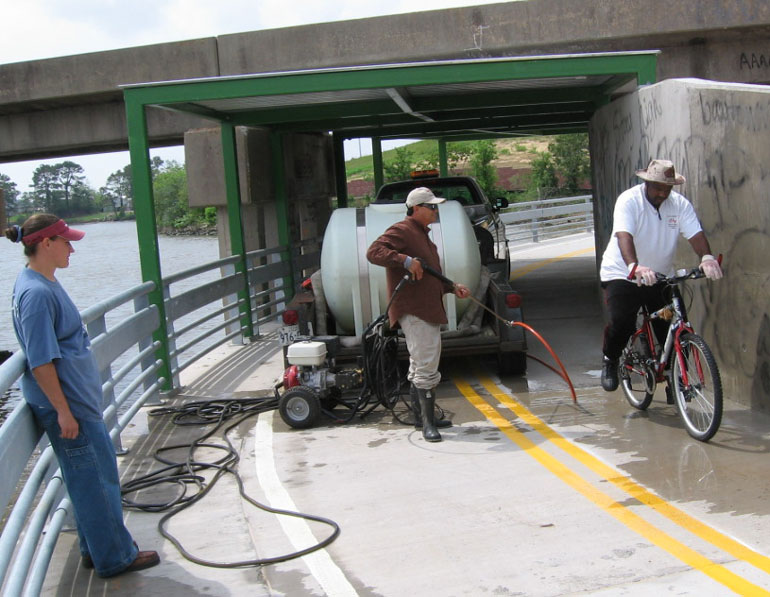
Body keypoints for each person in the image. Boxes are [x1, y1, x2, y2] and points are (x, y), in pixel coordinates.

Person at [5, 214, 160, 578]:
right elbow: (41, 361)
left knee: (88, 479)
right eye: (66, 242)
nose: (72, 249)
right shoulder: (36, 293)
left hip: (73, 401)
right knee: (97, 481)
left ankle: (96, 548)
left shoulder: (39, 283)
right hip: (69, 405)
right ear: (46, 243)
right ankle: (116, 557)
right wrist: (64, 412)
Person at [599, 159, 723, 392]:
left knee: (672, 325)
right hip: (622, 273)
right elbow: (624, 235)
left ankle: (676, 380)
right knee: (623, 322)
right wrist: (634, 266)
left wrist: (706, 257)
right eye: (658, 187)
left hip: (659, 276)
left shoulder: (679, 205)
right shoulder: (629, 201)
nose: (663, 193)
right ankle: (610, 359)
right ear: (647, 182)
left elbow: (695, 234)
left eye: (668, 188)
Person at [366, 187, 471, 442]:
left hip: (425, 308)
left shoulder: (423, 236)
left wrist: (450, 287)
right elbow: (374, 252)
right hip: (414, 309)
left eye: (436, 207)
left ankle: (421, 418)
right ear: (416, 209)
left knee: (420, 364)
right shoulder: (403, 230)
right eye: (431, 206)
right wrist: (403, 260)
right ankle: (427, 423)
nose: (435, 210)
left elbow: (429, 273)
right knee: (426, 365)